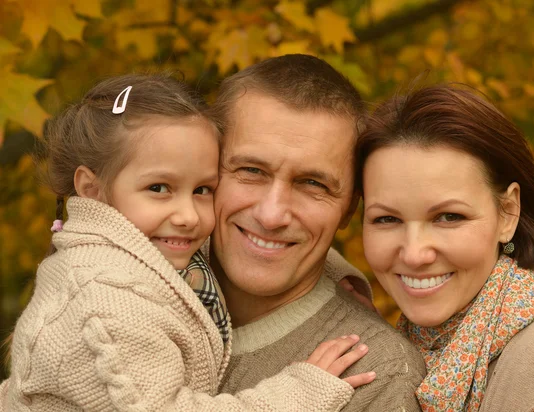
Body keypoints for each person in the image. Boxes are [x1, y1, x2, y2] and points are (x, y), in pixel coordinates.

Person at [0, 73, 377, 412]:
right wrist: (300, 392)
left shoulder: (138, 250)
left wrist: (336, 275)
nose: (188, 216)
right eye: (159, 188)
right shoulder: (108, 303)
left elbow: (266, 240)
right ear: (93, 189)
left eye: (202, 189)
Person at [358, 84, 534, 412]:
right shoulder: (419, 346)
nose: (414, 253)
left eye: (448, 216)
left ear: (507, 213)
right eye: (386, 219)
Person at [206, 54, 426, 411]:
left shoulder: (376, 374)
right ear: (206, 169)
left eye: (312, 183)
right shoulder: (129, 277)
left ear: (349, 210)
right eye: (251, 170)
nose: (272, 214)